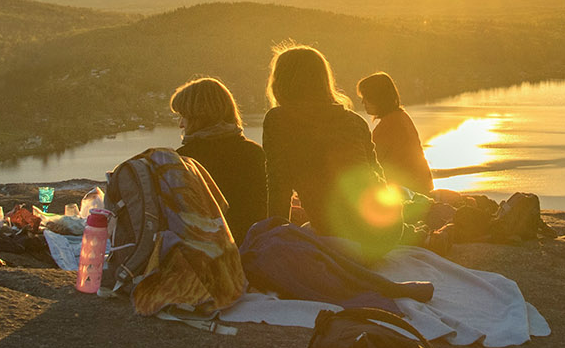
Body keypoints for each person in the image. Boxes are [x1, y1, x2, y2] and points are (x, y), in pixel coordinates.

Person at [261, 43, 397, 250]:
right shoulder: (355, 120)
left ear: (280, 82)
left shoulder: (278, 120)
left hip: (341, 234)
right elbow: (378, 177)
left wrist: (274, 242)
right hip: (387, 230)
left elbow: (279, 187)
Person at [170, 77, 268, 241]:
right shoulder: (255, 153)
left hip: (206, 251)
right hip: (253, 247)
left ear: (197, 117)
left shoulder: (184, 161)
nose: (181, 124)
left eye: (183, 116)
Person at [355, 72, 439, 200]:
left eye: (366, 97)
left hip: (409, 194)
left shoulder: (388, 125)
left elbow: (370, 163)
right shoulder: (401, 116)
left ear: (377, 98)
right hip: (421, 188)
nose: (362, 102)